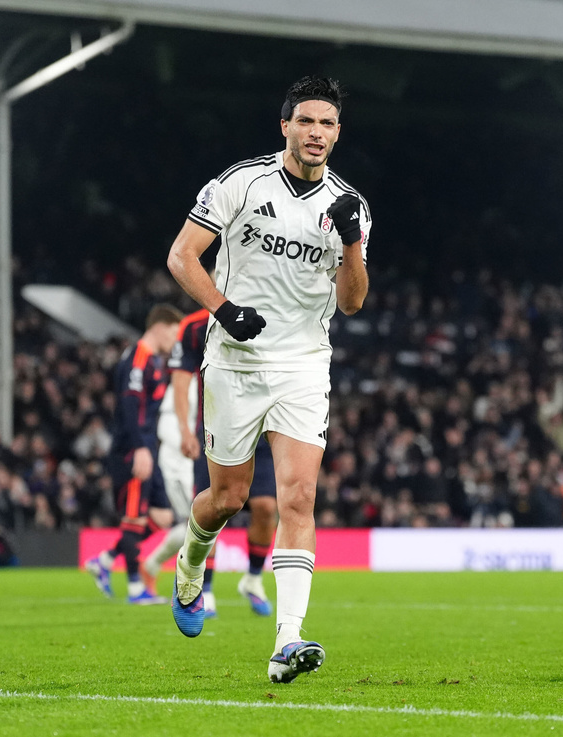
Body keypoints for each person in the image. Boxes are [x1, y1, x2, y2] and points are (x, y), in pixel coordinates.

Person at [166, 75, 370, 683]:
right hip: (234, 361)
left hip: (305, 364)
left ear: (337, 133)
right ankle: (190, 564)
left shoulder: (349, 205)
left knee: (298, 498)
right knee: (226, 498)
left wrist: (353, 242)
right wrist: (225, 310)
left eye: (327, 123)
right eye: (306, 121)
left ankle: (289, 639)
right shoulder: (240, 183)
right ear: (285, 126)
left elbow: (353, 302)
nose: (316, 133)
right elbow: (182, 256)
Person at [141, 306, 278, 618]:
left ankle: (253, 580)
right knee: (218, 506)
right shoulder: (195, 325)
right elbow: (179, 376)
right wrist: (185, 429)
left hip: (263, 429)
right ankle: (206, 587)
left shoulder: (272, 309)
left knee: (267, 507)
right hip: (216, 431)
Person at [86, 304, 183, 604]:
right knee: (134, 518)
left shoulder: (152, 361)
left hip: (148, 447)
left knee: (164, 517)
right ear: (160, 326)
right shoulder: (138, 359)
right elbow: (130, 407)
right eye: (174, 332)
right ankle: (135, 589)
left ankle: (105, 560)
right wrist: (140, 448)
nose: (176, 340)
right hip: (133, 450)